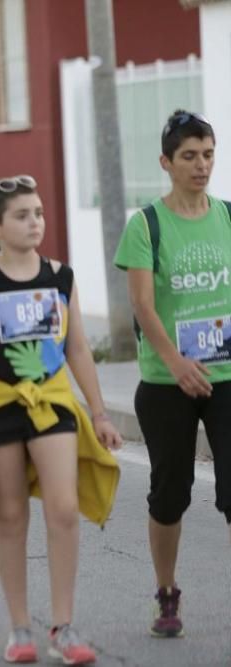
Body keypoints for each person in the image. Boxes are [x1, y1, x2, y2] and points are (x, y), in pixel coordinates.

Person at [0, 175, 122, 664]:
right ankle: (20, 628)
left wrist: (99, 413)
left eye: (38, 213)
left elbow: (77, 347)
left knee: (63, 508)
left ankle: (64, 625)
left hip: (52, 403)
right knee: (12, 514)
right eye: (21, 215)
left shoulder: (61, 276)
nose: (34, 222)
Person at [113, 109, 231, 639]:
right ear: (166, 162)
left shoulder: (228, 216)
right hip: (166, 383)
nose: (201, 165)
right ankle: (166, 592)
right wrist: (178, 363)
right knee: (171, 493)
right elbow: (142, 305)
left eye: (208, 153)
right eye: (189, 156)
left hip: (227, 375)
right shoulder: (147, 225)